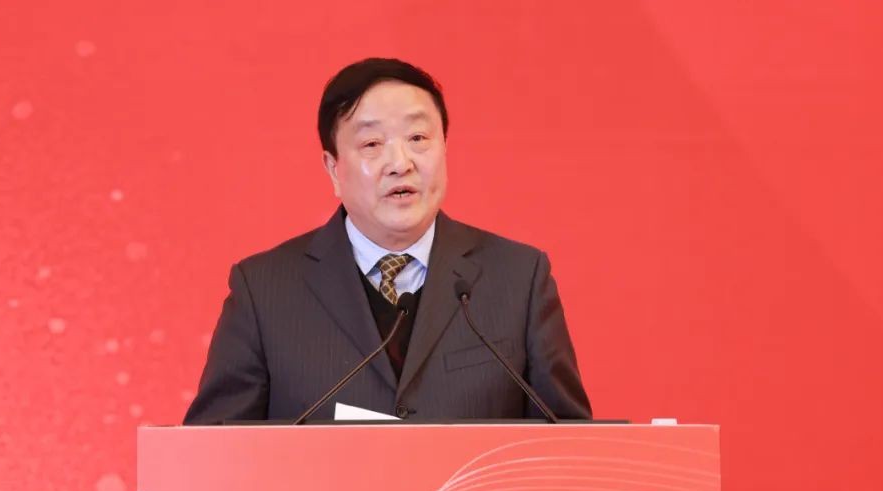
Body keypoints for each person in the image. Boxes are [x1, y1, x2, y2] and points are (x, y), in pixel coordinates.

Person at [184, 58, 591, 423]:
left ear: (444, 149)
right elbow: (213, 455)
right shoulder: (264, 291)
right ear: (333, 169)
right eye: (372, 144)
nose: (401, 163)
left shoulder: (519, 279)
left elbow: (569, 447)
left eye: (418, 138)